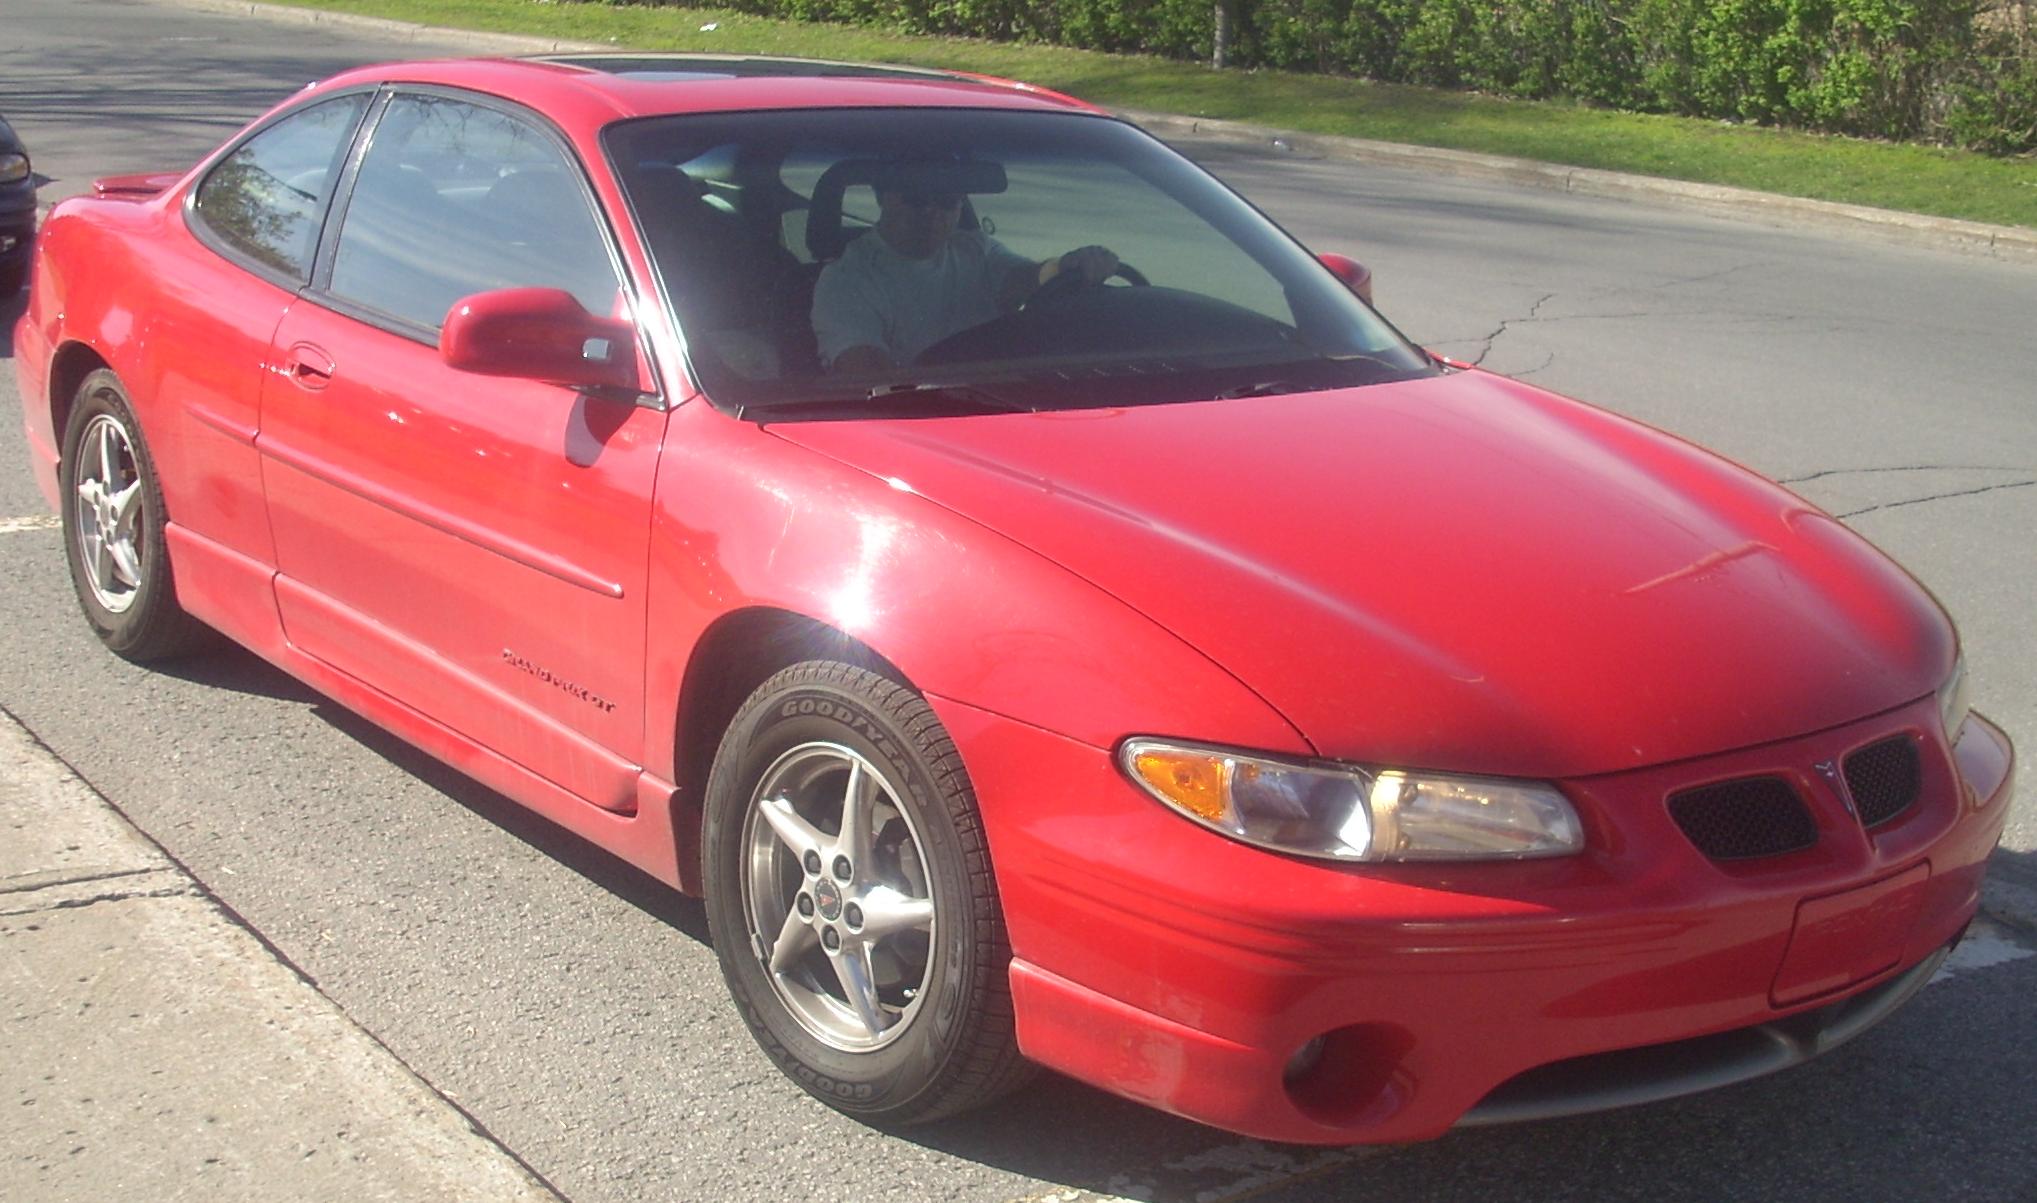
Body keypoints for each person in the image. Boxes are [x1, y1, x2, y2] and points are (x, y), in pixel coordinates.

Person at [812, 171, 1119, 374]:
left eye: (946, 201)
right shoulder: (847, 279)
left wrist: (1064, 267)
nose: (931, 212)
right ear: (882, 198)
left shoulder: (973, 249)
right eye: (916, 198)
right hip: (920, 421)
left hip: (1014, 401)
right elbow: (868, 381)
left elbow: (1024, 279)